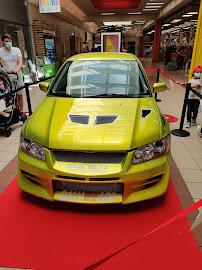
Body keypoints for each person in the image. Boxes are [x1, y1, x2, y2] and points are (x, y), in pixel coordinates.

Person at [0, 33, 25, 119]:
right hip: (8, 77)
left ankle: (21, 112)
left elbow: (20, 62)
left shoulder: (16, 50)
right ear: (3, 42)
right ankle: (16, 111)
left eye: (10, 41)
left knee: (20, 94)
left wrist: (17, 70)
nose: (9, 43)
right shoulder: (0, 51)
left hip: (17, 75)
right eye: (7, 41)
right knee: (12, 95)